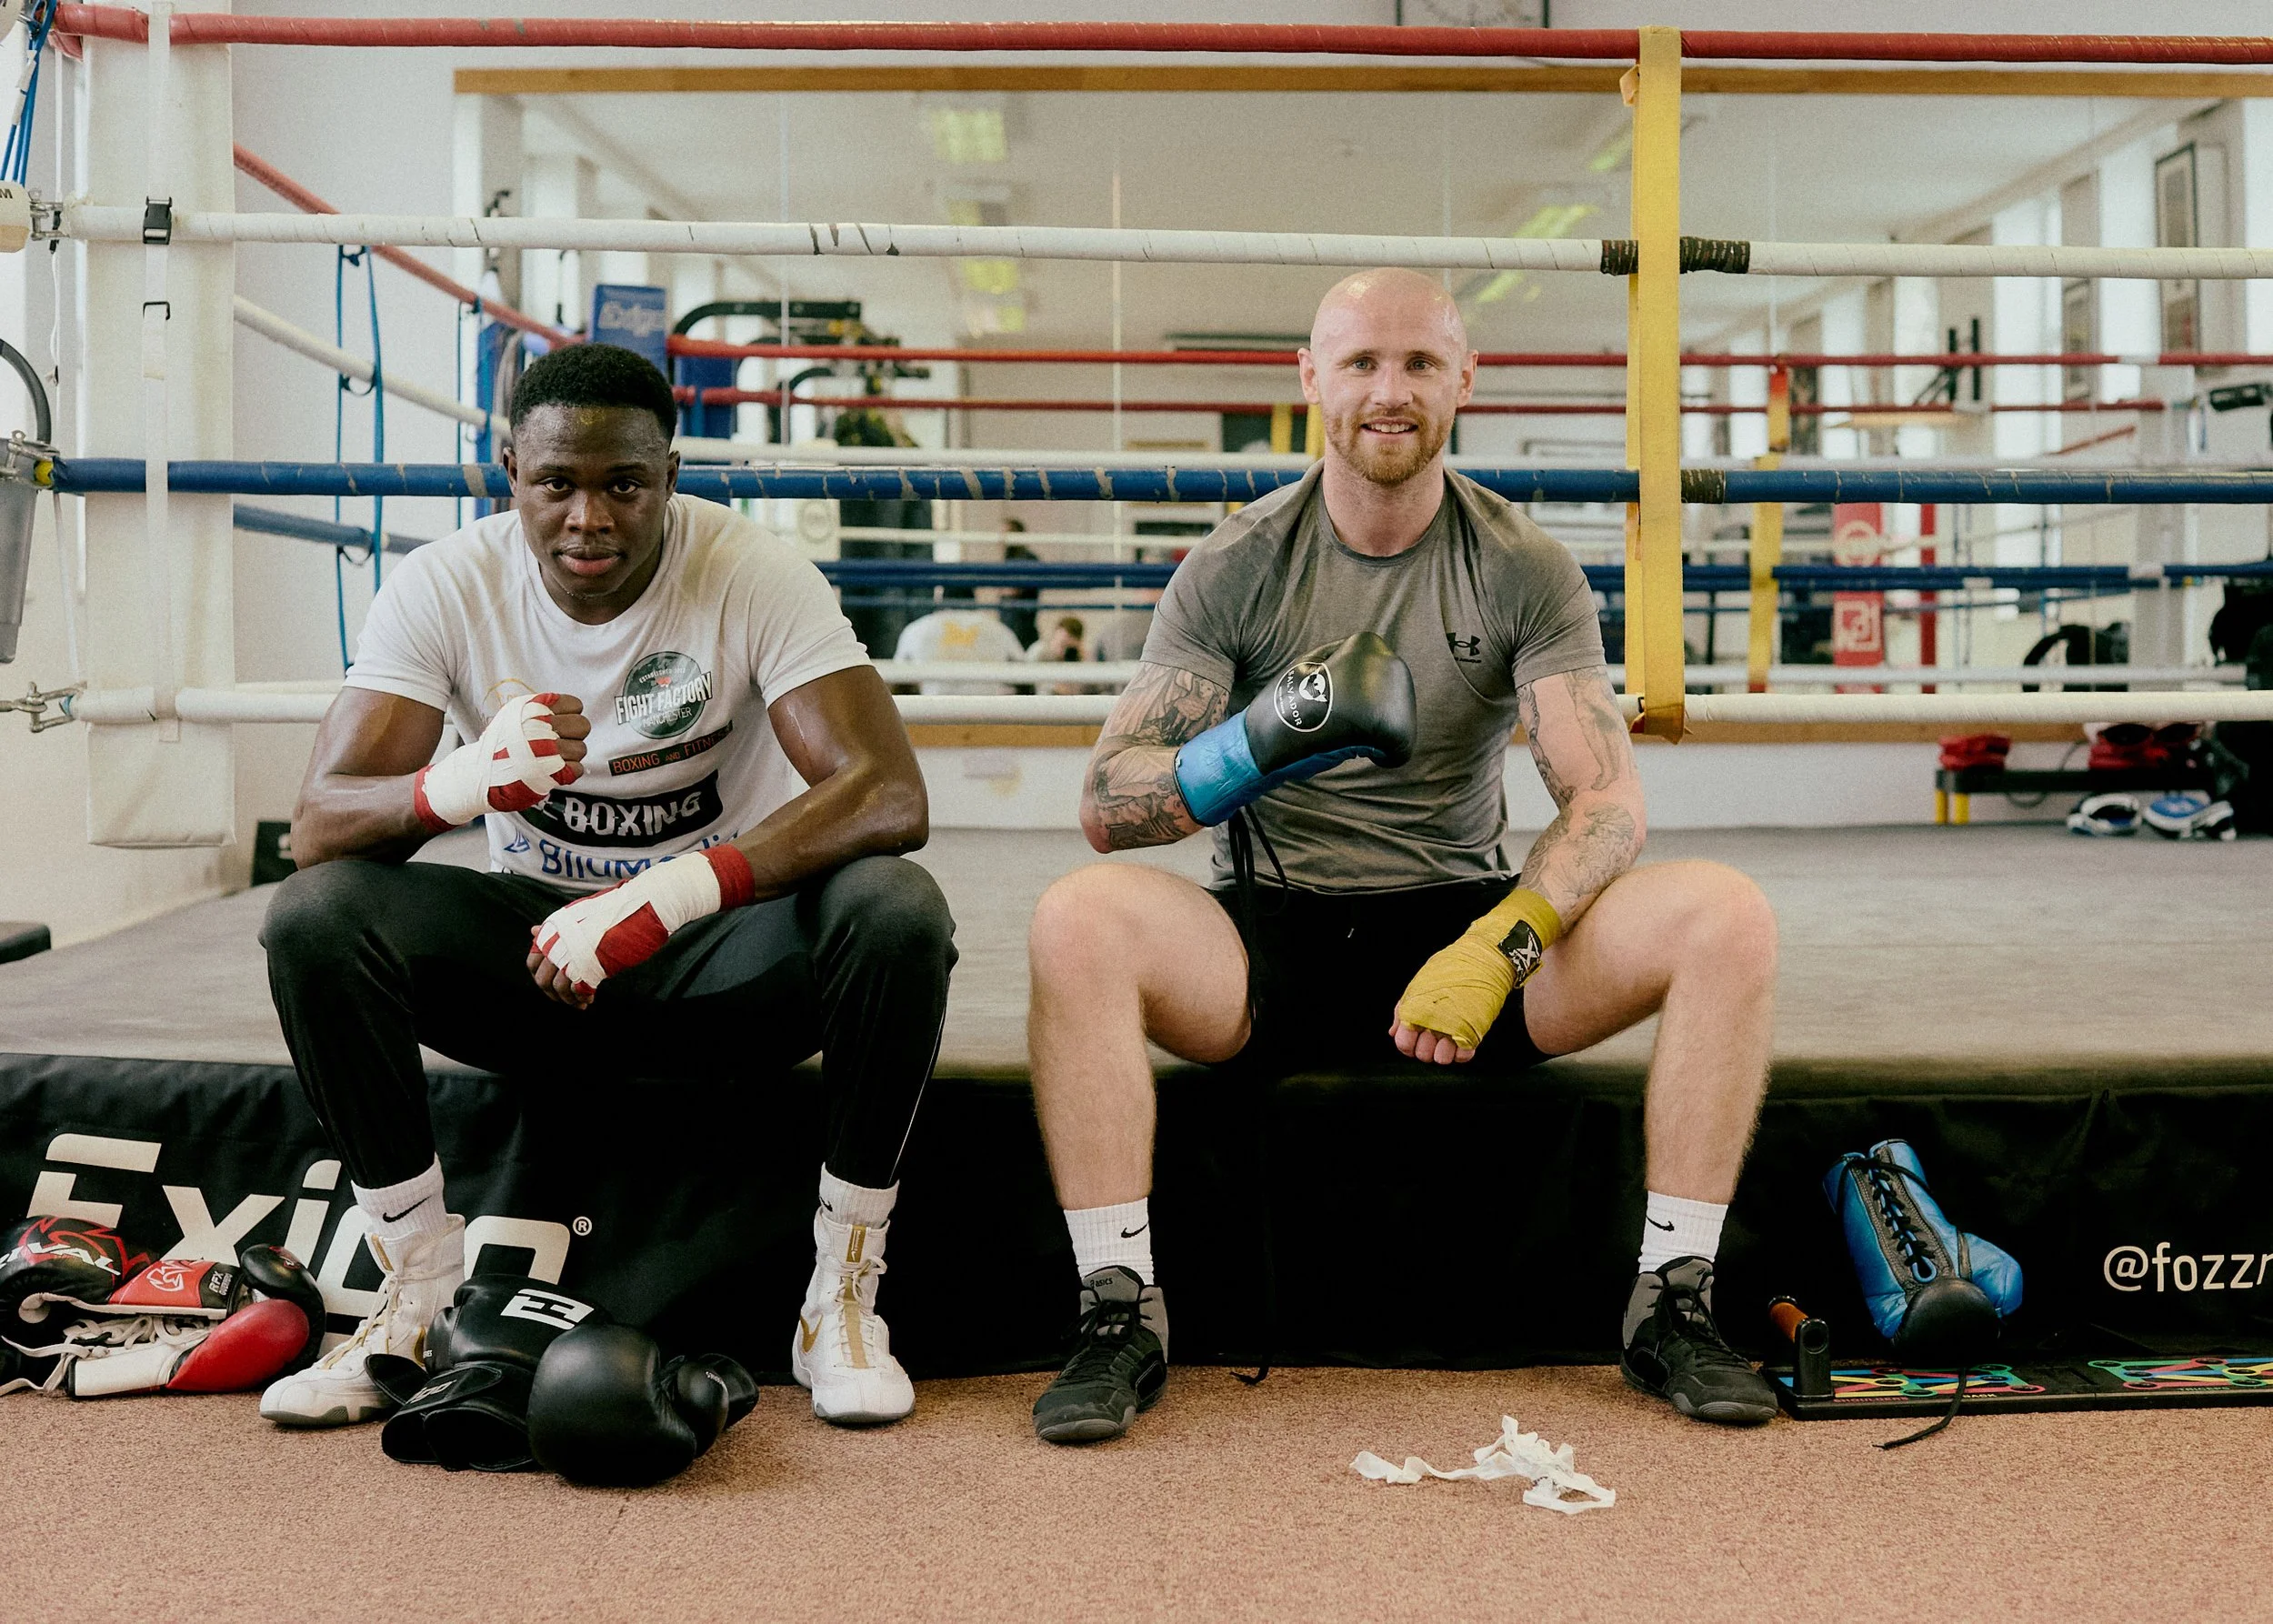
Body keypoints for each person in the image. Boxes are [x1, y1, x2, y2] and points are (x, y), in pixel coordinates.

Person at [1023, 268, 1780, 1444]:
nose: (1391, 390)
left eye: (1420, 362)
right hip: (1269, 939)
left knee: (1724, 913)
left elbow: (1606, 801)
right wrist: (1257, 744)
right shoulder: (1235, 565)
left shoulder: (1523, 562)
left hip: (1463, 929)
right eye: (1363, 362)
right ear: (1310, 378)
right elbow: (1108, 799)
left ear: (1464, 381)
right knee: (1079, 916)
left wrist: (1504, 941)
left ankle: (1673, 1300)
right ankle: (1118, 1306)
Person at [257, 344, 955, 1434]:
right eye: (557, 484)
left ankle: (842, 1294)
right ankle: (417, 1292)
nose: (590, 518)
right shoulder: (446, 582)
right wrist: (454, 782)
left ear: (668, 475)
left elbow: (886, 794)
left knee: (895, 909)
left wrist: (677, 890)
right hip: (537, 964)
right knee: (314, 917)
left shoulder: (752, 571)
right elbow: (318, 825)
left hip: (718, 950)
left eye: (622, 484)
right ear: (509, 473)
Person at [892, 588, 1029, 695]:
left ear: (942, 600)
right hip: (986, 712)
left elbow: (897, 679)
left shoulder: (917, 629)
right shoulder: (998, 629)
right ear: (973, 599)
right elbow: (1025, 677)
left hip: (933, 711)